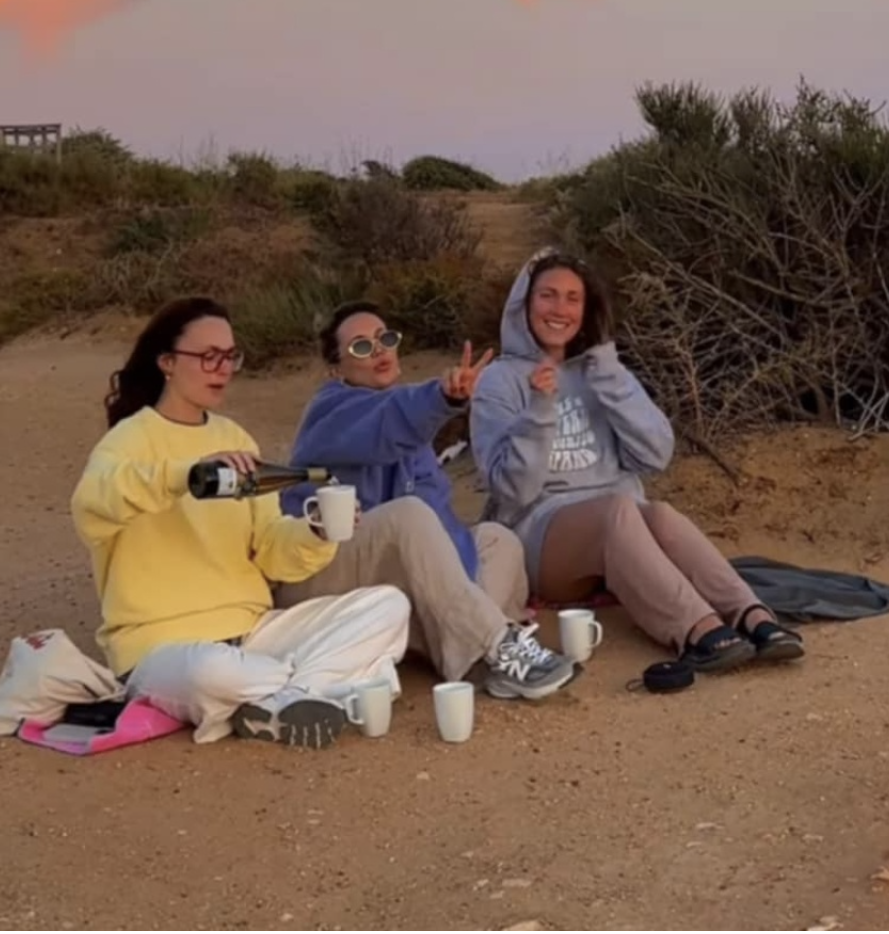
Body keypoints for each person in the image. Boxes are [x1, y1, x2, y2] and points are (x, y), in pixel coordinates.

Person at [69, 296, 412, 749]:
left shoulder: (234, 439)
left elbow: (271, 549)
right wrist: (188, 475)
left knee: (388, 606)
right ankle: (314, 689)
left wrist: (315, 531)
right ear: (167, 362)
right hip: (162, 646)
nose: (223, 368)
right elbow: (94, 504)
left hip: (252, 631)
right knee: (212, 671)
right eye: (209, 356)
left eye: (230, 356)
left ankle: (282, 699)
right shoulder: (129, 441)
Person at [468, 251, 806, 673]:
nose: (560, 309)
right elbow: (510, 489)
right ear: (524, 305)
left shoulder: (602, 369)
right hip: (542, 537)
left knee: (660, 514)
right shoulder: (499, 381)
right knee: (619, 510)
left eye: (573, 298)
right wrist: (539, 410)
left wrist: (609, 378)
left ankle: (752, 616)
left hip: (624, 533)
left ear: (587, 308)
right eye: (547, 296)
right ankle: (695, 629)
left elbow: (655, 454)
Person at [277, 301, 576, 700]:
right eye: (361, 348)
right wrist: (443, 397)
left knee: (495, 538)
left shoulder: (407, 427)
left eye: (384, 339)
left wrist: (458, 582)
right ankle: (497, 644)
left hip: (383, 577)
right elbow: (387, 423)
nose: (380, 351)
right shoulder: (330, 411)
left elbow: (439, 518)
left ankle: (468, 642)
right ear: (336, 369)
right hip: (318, 573)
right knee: (409, 516)